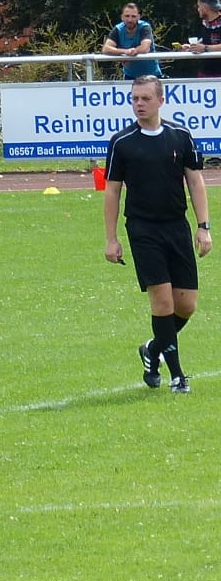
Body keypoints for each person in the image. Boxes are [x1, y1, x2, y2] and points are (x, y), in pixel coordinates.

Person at [103, 75, 211, 394]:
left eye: (145, 98)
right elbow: (112, 192)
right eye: (135, 98)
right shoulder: (122, 142)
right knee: (162, 301)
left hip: (177, 227)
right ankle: (177, 376)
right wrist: (111, 239)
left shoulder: (180, 136)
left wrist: (203, 227)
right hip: (143, 229)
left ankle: (152, 349)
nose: (139, 104)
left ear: (160, 101)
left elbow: (195, 182)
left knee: (186, 305)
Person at [104, 2, 161, 80]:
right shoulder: (118, 29)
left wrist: (132, 53)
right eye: (127, 16)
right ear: (122, 17)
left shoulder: (145, 27)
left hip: (151, 75)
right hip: (130, 76)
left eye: (133, 16)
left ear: (138, 17)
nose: (130, 20)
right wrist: (125, 52)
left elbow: (145, 48)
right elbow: (106, 49)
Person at [185, 0, 221, 81]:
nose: (198, 9)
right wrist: (192, 47)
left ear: (205, 7)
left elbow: (206, 46)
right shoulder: (205, 23)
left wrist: (205, 48)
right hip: (206, 72)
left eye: (199, 6)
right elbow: (206, 41)